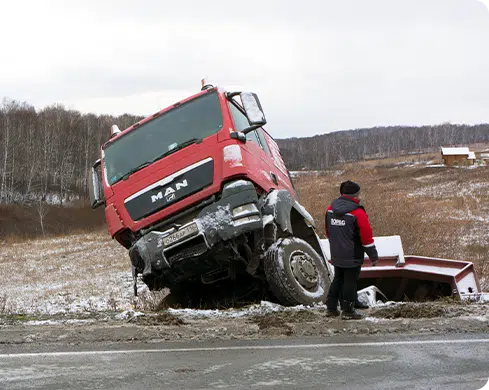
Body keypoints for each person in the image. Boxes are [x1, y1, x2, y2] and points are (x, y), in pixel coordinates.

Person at [324, 180, 378, 320]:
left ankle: (331, 308)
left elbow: (328, 231)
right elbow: (366, 236)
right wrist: (373, 255)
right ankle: (348, 311)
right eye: (359, 194)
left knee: (338, 278)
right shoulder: (358, 212)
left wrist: (337, 245)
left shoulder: (330, 209)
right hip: (352, 253)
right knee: (350, 280)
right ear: (355, 195)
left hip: (337, 251)